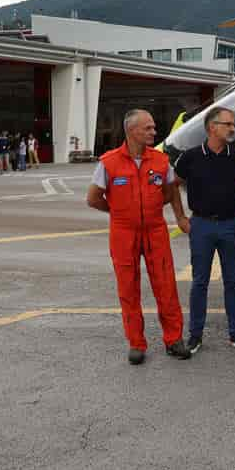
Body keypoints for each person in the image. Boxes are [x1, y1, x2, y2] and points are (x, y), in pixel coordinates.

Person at [86, 109, 190, 365]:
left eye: (154, 128)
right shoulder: (109, 162)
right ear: (132, 131)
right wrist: (119, 211)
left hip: (155, 230)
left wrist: (180, 217)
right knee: (128, 289)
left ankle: (174, 339)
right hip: (123, 232)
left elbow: (171, 191)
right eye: (149, 128)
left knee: (166, 285)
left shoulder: (161, 160)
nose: (154, 132)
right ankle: (136, 343)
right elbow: (93, 198)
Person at [171, 105, 235, 354]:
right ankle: (195, 336)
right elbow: (172, 185)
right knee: (200, 282)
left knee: (233, 282)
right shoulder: (191, 157)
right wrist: (181, 217)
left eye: (232, 124)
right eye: (227, 124)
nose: (232, 128)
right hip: (201, 225)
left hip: (230, 226)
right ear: (211, 127)